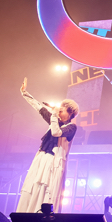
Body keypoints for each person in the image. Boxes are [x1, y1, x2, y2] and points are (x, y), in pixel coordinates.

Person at [16, 77, 79, 213]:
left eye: (63, 110)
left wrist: (54, 115)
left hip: (54, 162)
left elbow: (56, 132)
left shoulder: (71, 127)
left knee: (47, 190)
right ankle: (27, 214)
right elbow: (40, 108)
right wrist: (24, 93)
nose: (59, 111)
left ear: (70, 113)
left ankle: (43, 216)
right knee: (34, 186)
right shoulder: (54, 120)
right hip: (41, 158)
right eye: (60, 109)